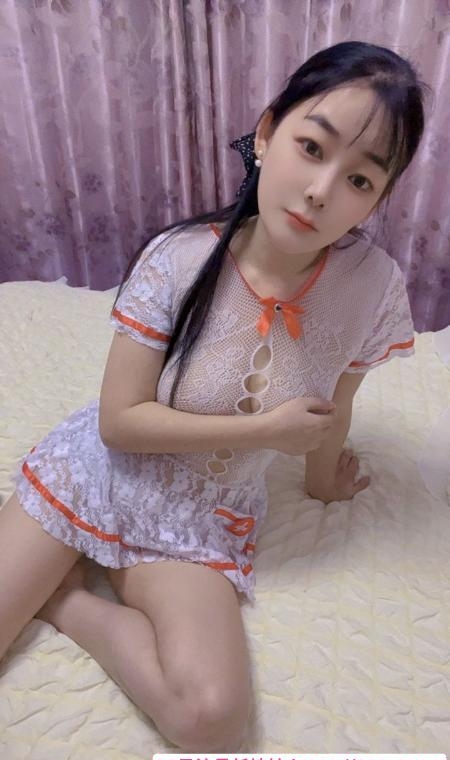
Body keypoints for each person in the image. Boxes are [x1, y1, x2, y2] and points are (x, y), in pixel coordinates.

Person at [0, 40, 428, 750]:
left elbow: (334, 405)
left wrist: (323, 482)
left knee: (211, 718)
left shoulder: (371, 286)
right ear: (266, 133)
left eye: (360, 179)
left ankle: (67, 598)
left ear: (379, 198)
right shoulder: (179, 258)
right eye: (312, 147)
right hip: (101, 472)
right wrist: (268, 433)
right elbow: (119, 423)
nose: (321, 190)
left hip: (201, 512)